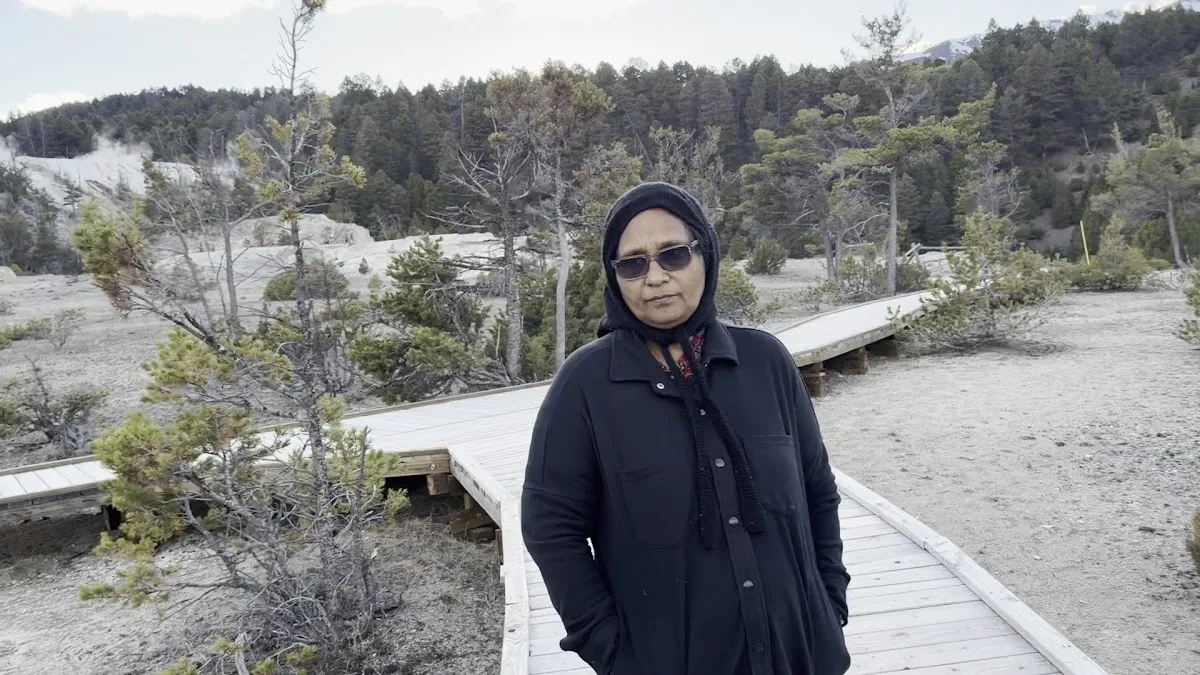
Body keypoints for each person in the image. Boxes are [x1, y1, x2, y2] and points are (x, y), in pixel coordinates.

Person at [520, 181, 851, 675]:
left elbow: (818, 490)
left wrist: (830, 598)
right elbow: (549, 527)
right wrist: (610, 648)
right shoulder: (586, 385)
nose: (655, 277)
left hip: (799, 654)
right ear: (615, 277)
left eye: (673, 255)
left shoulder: (765, 362)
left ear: (705, 254)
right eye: (633, 264)